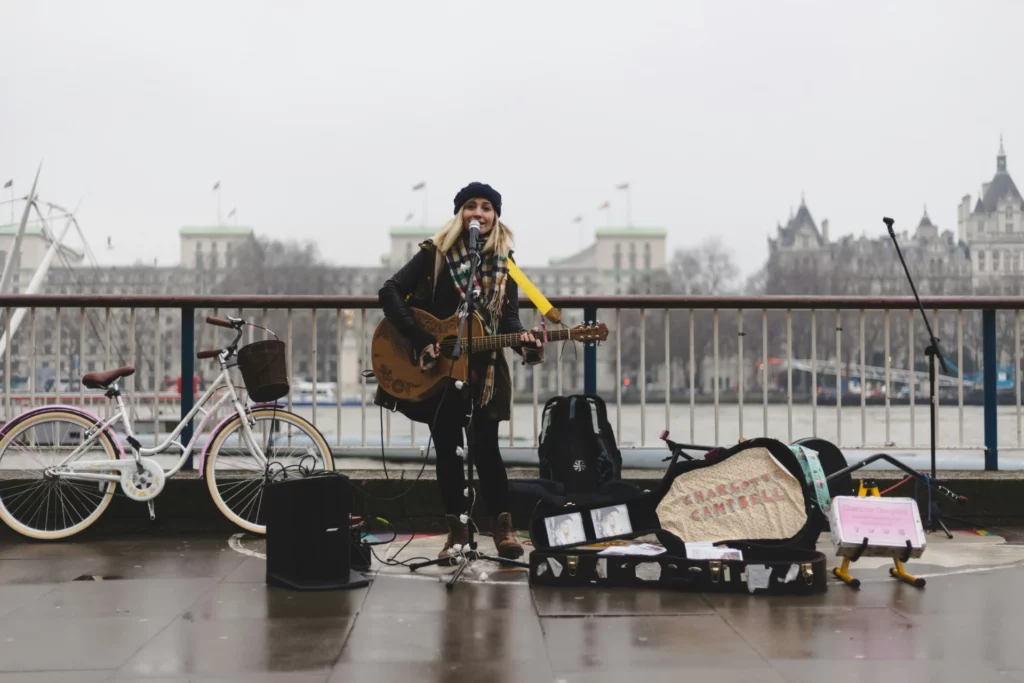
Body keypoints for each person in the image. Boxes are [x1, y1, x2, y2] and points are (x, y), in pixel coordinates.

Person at [376, 182, 544, 560]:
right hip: (440, 371)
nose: (479, 214)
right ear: (460, 215)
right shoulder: (434, 255)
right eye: (471, 206)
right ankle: (457, 531)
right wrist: (422, 339)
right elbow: (389, 292)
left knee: (487, 449)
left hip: (484, 371)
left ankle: (502, 530)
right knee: (448, 451)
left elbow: (509, 321)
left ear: (495, 217)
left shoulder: (505, 263)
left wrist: (525, 342)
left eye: (487, 207)